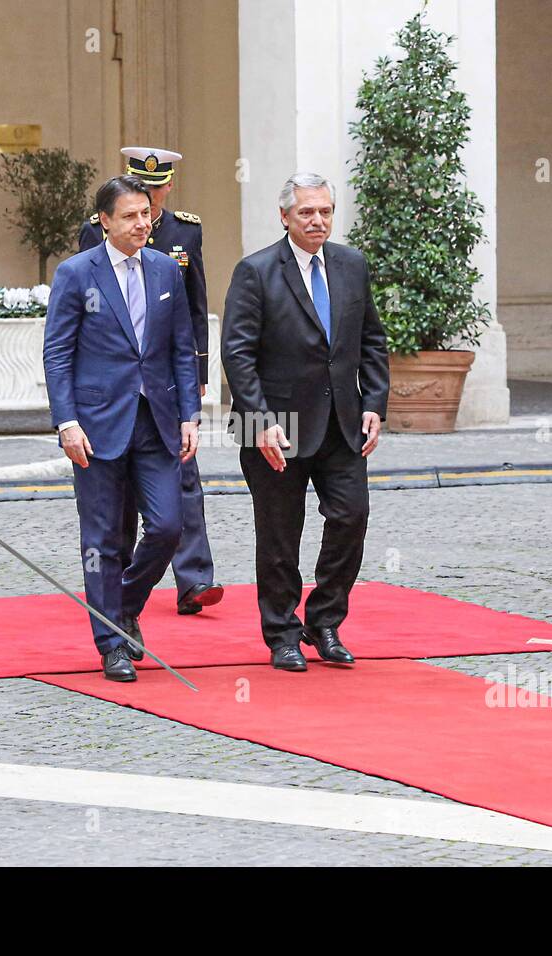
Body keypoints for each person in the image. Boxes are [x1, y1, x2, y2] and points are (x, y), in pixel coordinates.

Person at [222, 172, 390, 672]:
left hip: (342, 419)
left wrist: (374, 402)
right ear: (284, 217)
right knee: (279, 532)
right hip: (270, 423)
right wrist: (262, 419)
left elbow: (371, 341)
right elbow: (238, 354)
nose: (318, 221)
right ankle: (281, 634)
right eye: (306, 213)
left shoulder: (351, 265)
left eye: (325, 212)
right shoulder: (255, 271)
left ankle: (325, 621)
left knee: (351, 515)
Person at [45, 175, 201, 682]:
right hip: (95, 425)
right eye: (131, 215)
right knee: (104, 537)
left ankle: (122, 604)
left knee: (167, 527)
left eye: (147, 213)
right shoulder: (76, 273)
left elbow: (181, 347)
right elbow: (57, 353)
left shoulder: (164, 271)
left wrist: (189, 416)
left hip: (156, 422)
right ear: (105, 221)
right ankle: (111, 642)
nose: (143, 223)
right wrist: (66, 422)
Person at [78, 147, 222, 616]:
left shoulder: (185, 231)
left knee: (181, 491)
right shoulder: (92, 239)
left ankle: (194, 578)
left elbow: (193, 313)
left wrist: (194, 381)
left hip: (164, 390)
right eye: (142, 191)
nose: (150, 204)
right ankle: (115, 589)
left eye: (157, 191)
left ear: (168, 188)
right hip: (114, 397)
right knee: (114, 504)